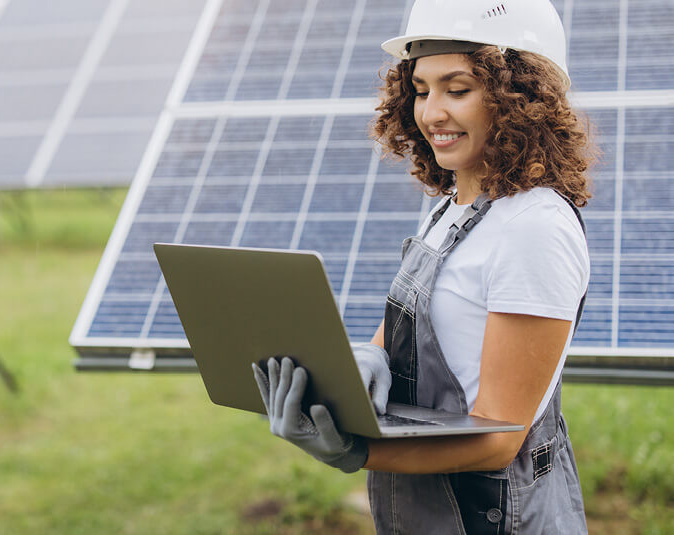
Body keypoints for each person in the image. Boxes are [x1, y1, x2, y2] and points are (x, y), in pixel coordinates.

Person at [252, 0, 595, 532]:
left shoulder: (533, 226)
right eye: (420, 89)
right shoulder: (453, 207)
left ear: (523, 96)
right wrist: (368, 358)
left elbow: (498, 441)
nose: (431, 112)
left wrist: (355, 452)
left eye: (457, 89)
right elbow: (408, 332)